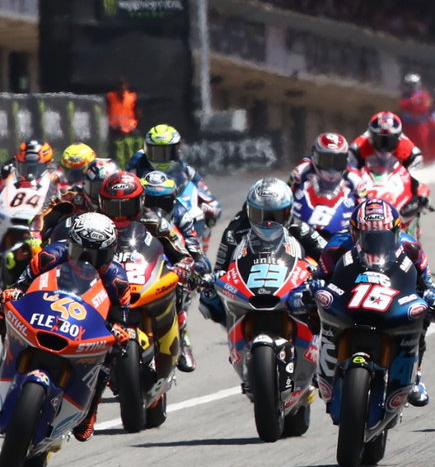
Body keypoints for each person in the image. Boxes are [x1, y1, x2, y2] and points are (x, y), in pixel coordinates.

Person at [301, 198, 435, 406]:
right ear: (354, 232)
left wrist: (433, 299)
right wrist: (313, 289)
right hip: (349, 297)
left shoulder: (411, 248)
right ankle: (323, 359)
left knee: (421, 314)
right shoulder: (336, 246)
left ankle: (416, 375)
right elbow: (320, 277)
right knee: (314, 307)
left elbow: (428, 285)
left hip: (392, 296)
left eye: (383, 236)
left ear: (395, 232)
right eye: (366, 236)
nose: (374, 242)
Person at [2, 212, 132, 441]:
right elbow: (21, 284)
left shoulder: (117, 279)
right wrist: (13, 293)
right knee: (0, 316)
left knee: (111, 356)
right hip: (45, 313)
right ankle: (9, 371)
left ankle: (90, 410)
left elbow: (121, 319)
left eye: (95, 255)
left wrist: (119, 331)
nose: (86, 261)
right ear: (70, 244)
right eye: (81, 252)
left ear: (109, 254)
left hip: (86, 326)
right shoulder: (49, 256)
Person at [97, 171, 204, 372]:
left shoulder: (155, 220)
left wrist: (185, 265)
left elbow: (179, 249)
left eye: (126, 207)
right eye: (113, 206)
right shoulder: (95, 222)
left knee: (179, 288)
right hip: (107, 276)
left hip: (144, 268)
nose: (119, 214)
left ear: (140, 202)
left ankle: (181, 337)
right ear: (102, 204)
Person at [203, 177, 328, 324]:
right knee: (208, 296)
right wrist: (214, 279)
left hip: (290, 288)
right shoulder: (235, 231)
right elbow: (220, 270)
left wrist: (318, 275)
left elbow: (327, 255)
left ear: (288, 212)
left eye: (275, 216)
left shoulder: (299, 227)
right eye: (260, 215)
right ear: (249, 210)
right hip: (246, 289)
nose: (268, 223)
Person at [127, 124, 221, 231]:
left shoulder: (186, 170)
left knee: (201, 218)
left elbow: (213, 205)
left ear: (178, 149)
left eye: (167, 152)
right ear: (146, 149)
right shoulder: (136, 165)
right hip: (145, 215)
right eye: (156, 152)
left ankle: (195, 244)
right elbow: (124, 186)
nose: (161, 158)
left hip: (178, 215)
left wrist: (208, 210)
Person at [0, 139, 55, 237]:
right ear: (17, 162)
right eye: (25, 167)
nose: (30, 172)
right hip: (10, 217)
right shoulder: (7, 171)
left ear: (49, 164)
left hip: (38, 218)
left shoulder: (55, 176)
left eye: (37, 167)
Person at [351, 111, 423, 172]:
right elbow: (350, 173)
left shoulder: (411, 154)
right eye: (379, 140)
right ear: (370, 137)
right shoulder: (357, 149)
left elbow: (416, 181)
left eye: (390, 141)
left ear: (398, 138)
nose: (384, 147)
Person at [106, 78, 139, 168]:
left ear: (126, 87)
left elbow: (137, 112)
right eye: (120, 87)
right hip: (114, 130)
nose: (121, 89)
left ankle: (130, 166)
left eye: (123, 86)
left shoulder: (132, 97)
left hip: (129, 131)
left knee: (129, 151)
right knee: (114, 152)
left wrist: (134, 124)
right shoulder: (110, 97)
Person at [398, 73, 433, 156]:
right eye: (408, 84)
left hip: (419, 126)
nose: (410, 87)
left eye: (412, 84)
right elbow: (402, 106)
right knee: (406, 144)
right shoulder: (405, 95)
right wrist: (413, 103)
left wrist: (412, 106)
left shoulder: (424, 95)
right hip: (407, 125)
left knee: (422, 145)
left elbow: (424, 108)